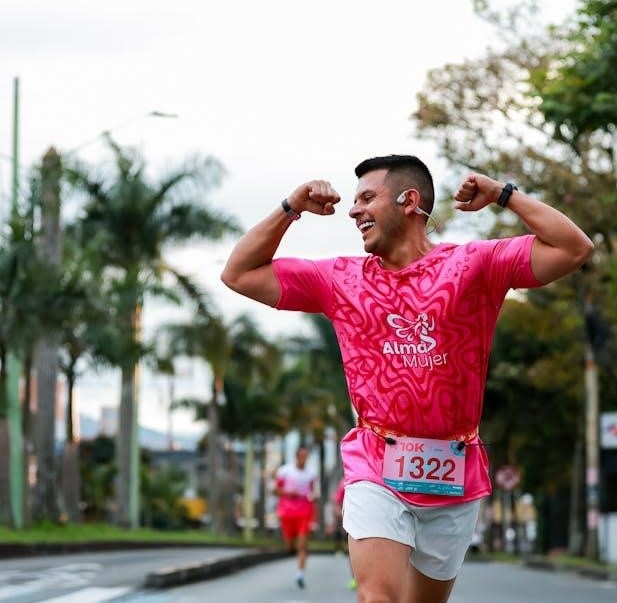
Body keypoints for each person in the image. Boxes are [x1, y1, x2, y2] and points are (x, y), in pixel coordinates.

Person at [222, 155, 593, 602]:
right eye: (354, 201)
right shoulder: (339, 279)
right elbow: (238, 273)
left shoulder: (474, 265)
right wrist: (291, 207)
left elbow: (574, 248)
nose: (354, 210)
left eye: (367, 198)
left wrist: (502, 194)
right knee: (377, 597)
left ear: (409, 201)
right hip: (376, 460)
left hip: (454, 470)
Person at [274, 445, 317, 589]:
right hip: (287, 512)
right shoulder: (285, 471)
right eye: (302, 456)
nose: (304, 459)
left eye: (306, 456)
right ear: (297, 456)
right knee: (290, 545)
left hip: (304, 511)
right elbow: (276, 490)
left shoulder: (311, 473)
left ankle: (300, 574)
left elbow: (313, 491)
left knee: (303, 545)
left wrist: (313, 497)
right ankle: (291, 549)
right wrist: (288, 493)